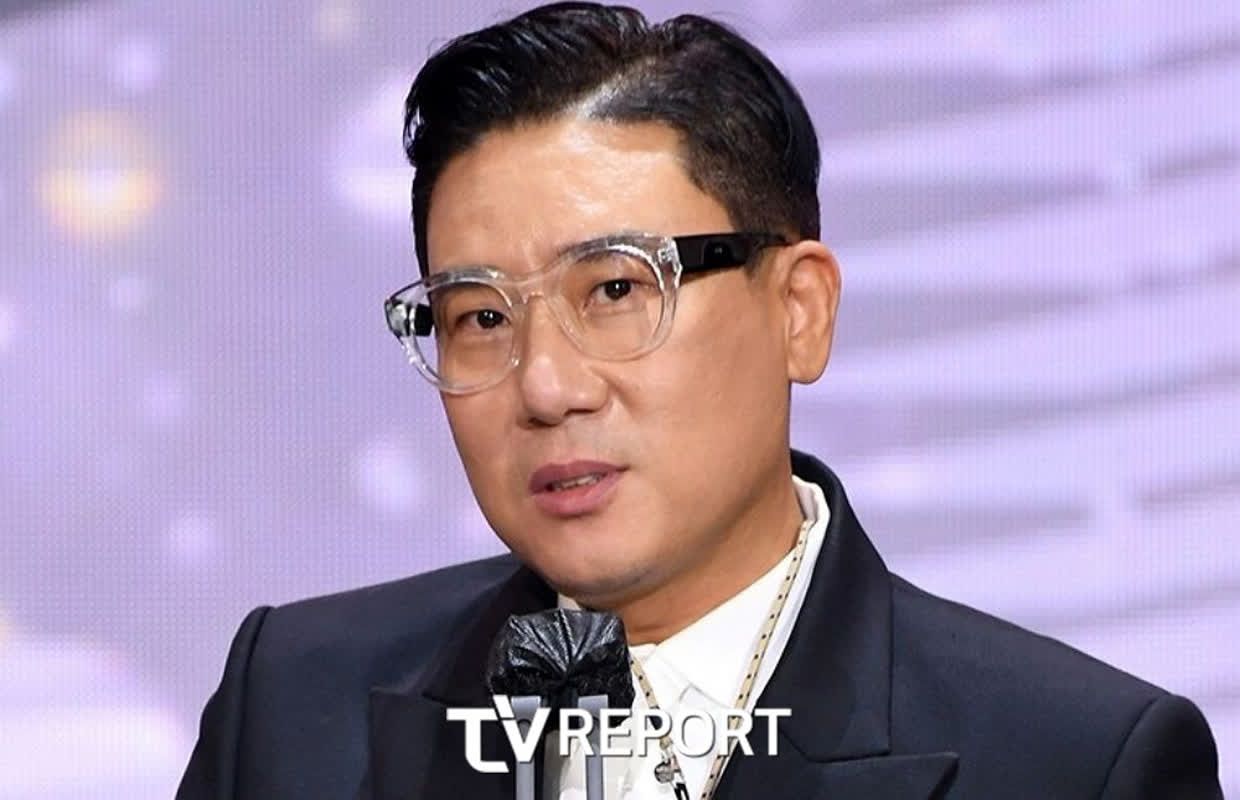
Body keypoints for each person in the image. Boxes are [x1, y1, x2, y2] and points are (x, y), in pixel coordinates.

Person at [177, 3, 1223, 798]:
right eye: (481, 316)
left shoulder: (1077, 762)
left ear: (799, 310)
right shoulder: (292, 709)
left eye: (615, 291)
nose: (546, 386)